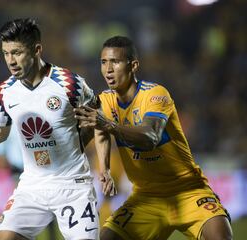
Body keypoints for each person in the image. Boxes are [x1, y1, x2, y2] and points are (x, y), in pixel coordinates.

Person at [0, 18, 99, 240]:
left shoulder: (69, 83)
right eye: (5, 53)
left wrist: (82, 146)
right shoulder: (6, 91)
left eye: (17, 52)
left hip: (72, 186)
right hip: (32, 185)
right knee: (4, 238)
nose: (10, 61)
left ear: (37, 50)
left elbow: (97, 116)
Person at [74, 36, 233, 240]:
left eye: (115, 61)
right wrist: (103, 169)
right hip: (145, 198)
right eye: (104, 62)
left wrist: (108, 124)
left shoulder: (156, 95)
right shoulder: (105, 100)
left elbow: (149, 137)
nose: (108, 69)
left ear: (133, 65)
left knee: (221, 237)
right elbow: (93, 135)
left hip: (189, 191)